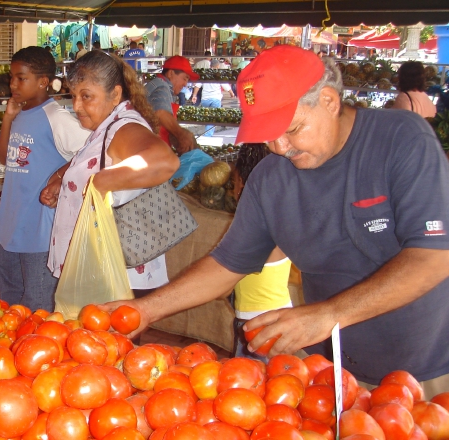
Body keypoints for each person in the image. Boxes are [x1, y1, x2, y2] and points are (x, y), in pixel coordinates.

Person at [106, 45, 449, 397]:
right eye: (268, 135)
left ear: (329, 101)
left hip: (421, 372)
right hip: (328, 371)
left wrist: (328, 315)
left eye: (293, 129)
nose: (281, 147)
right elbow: (227, 264)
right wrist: (146, 309)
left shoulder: (401, 139)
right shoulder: (271, 178)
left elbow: (434, 256)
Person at [42, 50, 180, 290]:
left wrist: (101, 181)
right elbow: (95, 157)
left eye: (86, 97)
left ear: (115, 94)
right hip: (106, 269)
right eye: (73, 95)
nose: (76, 106)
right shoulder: (109, 126)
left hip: (114, 277)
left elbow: (164, 161)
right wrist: (63, 177)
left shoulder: (124, 128)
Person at [0, 46, 90, 312]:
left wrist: (59, 177)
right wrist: (8, 118)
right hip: (10, 225)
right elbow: (5, 158)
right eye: (12, 77)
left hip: (41, 231)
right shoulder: (20, 113)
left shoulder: (56, 118)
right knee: (9, 298)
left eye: (21, 78)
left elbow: (91, 151)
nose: (13, 83)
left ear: (43, 82)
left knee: (38, 303)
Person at [230, 143, 292, 362]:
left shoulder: (255, 229)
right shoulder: (281, 219)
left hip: (261, 323)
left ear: (241, 185)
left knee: (251, 382)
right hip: (268, 317)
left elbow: (224, 277)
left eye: (234, 183)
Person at [144, 55, 199, 154]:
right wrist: (181, 134)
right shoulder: (161, 87)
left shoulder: (160, 85)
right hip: (151, 151)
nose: (186, 84)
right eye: (185, 78)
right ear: (170, 73)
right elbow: (161, 113)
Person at [192, 59, 234, 136]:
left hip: (205, 100)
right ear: (218, 66)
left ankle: (208, 133)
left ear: (210, 66)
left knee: (208, 117)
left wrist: (194, 95)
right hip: (215, 99)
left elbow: (197, 85)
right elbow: (225, 85)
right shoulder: (218, 75)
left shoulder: (204, 74)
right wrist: (231, 93)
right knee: (213, 118)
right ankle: (207, 136)